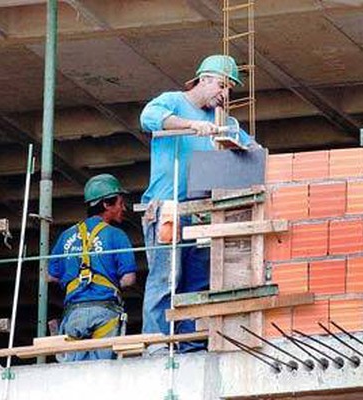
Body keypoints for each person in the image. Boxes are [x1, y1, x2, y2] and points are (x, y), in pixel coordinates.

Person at [139, 54, 257, 354]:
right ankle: (156, 344)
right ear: (203, 79)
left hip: (203, 213)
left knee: (197, 281)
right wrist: (191, 125)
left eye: (230, 88)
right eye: (222, 84)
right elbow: (148, 117)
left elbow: (252, 150)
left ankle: (188, 344)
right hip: (168, 207)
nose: (225, 94)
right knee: (167, 277)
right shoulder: (173, 102)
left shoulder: (225, 121)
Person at [49, 173, 137, 361]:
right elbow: (128, 279)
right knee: (103, 372)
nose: (124, 208)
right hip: (105, 312)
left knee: (73, 371)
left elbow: (50, 276)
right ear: (106, 204)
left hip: (74, 314)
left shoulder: (66, 235)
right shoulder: (117, 235)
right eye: (120, 203)